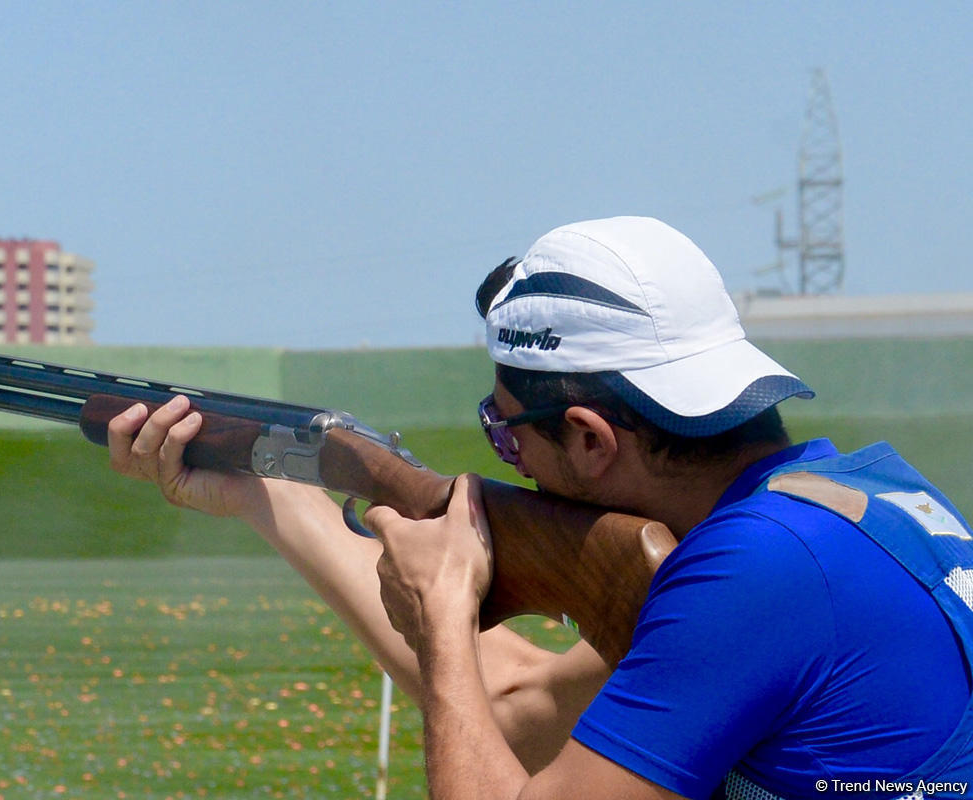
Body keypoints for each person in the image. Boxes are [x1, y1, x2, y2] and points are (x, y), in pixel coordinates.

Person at [106, 217, 973, 799]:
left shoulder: (758, 573)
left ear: (592, 439)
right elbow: (520, 706)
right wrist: (272, 492)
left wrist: (446, 618)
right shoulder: (865, 511)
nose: (505, 461)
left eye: (506, 431)